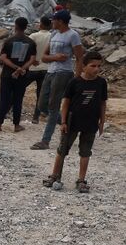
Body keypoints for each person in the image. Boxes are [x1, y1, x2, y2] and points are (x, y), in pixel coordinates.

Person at [42, 52, 106, 193]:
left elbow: (102, 103)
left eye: (99, 66)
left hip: (90, 123)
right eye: (93, 66)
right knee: (62, 149)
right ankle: (55, 175)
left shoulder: (101, 83)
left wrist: (102, 122)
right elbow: (65, 103)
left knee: (85, 152)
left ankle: (81, 180)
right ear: (84, 66)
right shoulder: (75, 82)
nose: (96, 69)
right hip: (72, 122)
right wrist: (63, 121)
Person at [32, 10, 85, 150]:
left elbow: (80, 57)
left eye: (54, 20)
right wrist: (55, 57)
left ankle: (45, 141)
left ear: (60, 21)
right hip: (50, 72)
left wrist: (78, 78)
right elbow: (44, 57)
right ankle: (64, 122)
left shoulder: (73, 35)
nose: (52, 23)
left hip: (64, 73)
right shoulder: (54, 34)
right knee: (41, 104)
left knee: (53, 105)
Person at [0, 17, 36, 132]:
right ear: (26, 27)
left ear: (15, 26)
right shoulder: (31, 43)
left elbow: (3, 58)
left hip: (7, 75)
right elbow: (32, 59)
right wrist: (21, 69)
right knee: (18, 100)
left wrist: (15, 67)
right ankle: (16, 125)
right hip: (22, 76)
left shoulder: (9, 41)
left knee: (4, 99)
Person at [29, 16, 53, 124]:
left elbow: (27, 49)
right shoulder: (52, 37)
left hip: (32, 67)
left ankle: (8, 109)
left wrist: (31, 60)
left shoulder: (33, 36)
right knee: (41, 94)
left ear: (41, 24)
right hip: (46, 69)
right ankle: (35, 117)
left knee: (19, 88)